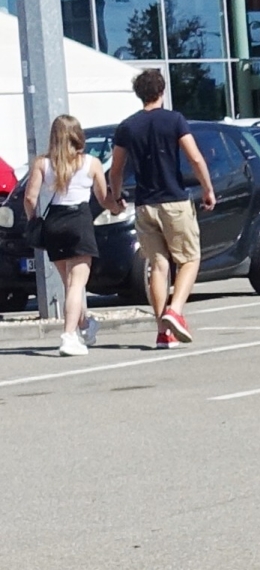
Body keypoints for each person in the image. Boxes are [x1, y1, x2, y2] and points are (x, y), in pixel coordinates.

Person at [105, 68, 214, 348]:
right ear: (162, 91)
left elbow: (115, 169)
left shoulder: (127, 126)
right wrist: (207, 189)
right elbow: (195, 158)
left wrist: (116, 197)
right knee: (189, 258)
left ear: (139, 94)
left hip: (145, 204)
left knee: (158, 265)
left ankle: (162, 332)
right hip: (174, 199)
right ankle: (175, 311)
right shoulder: (174, 120)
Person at [20, 113, 106, 356]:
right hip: (79, 220)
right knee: (77, 284)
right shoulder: (91, 163)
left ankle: (86, 325)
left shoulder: (42, 163)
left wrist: (33, 219)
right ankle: (69, 336)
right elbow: (102, 197)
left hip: (54, 223)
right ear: (78, 135)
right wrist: (116, 204)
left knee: (70, 284)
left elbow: (30, 198)